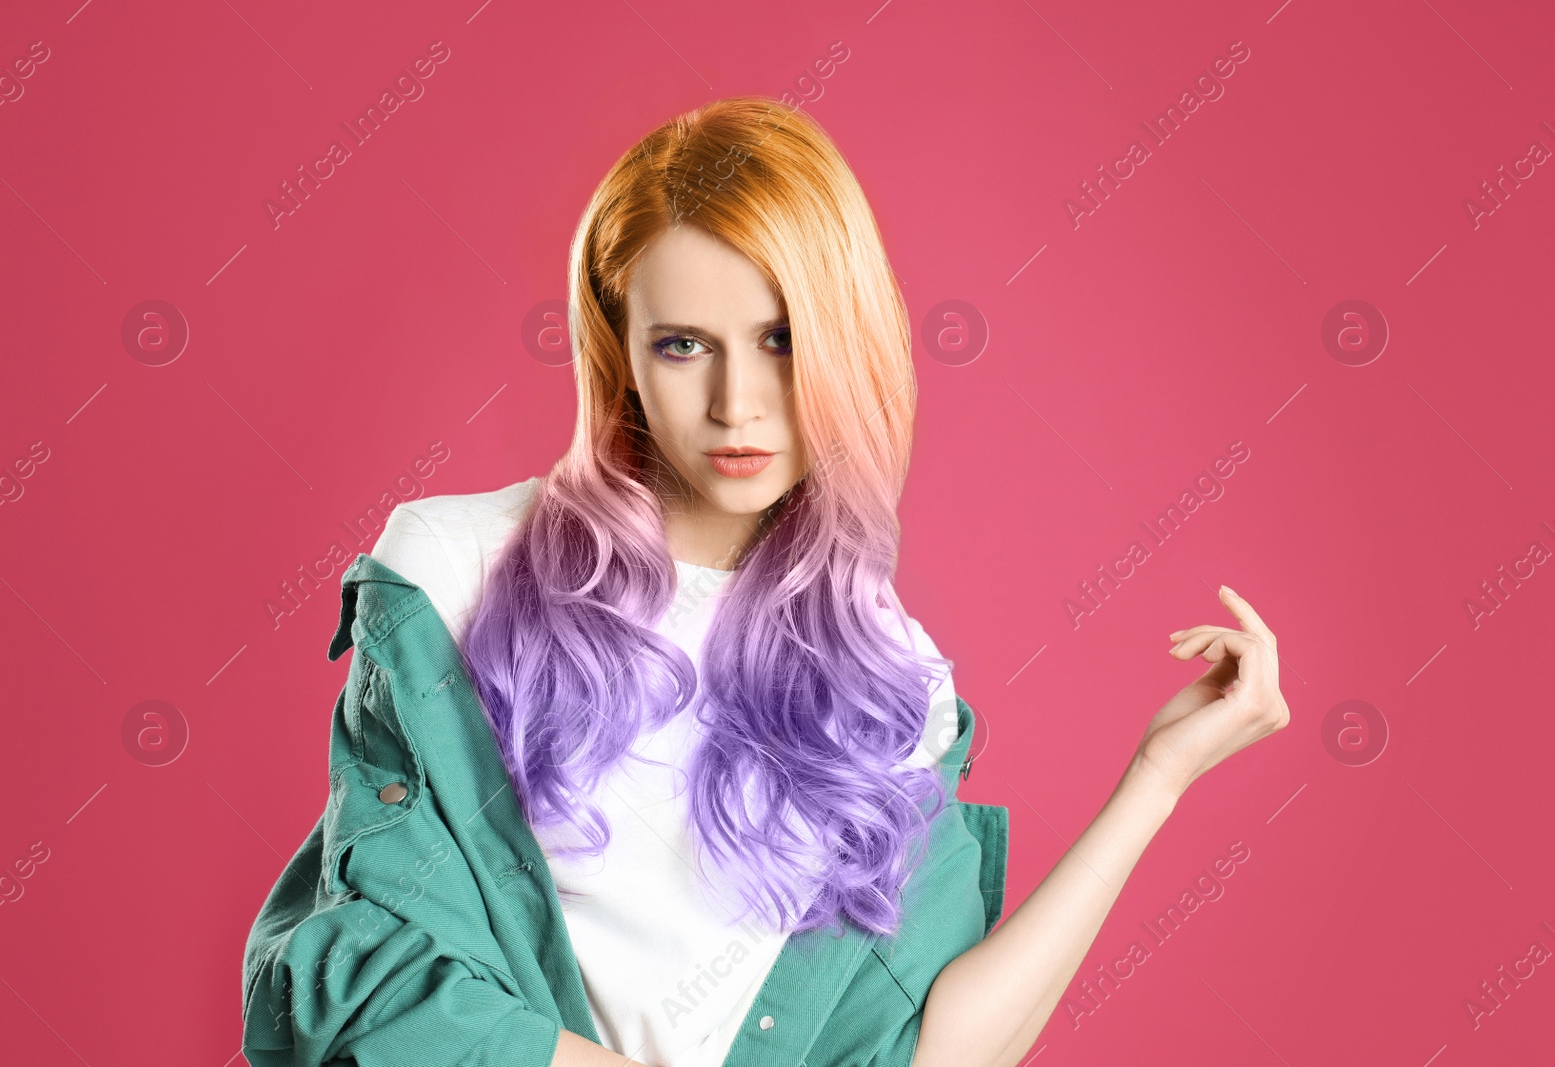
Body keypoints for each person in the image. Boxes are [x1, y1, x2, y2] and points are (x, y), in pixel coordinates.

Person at [333, 96, 1290, 1067]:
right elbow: (369, 986)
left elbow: (934, 1051)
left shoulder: (892, 672)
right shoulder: (456, 566)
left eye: (780, 338)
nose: (734, 401)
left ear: (849, 339)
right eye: (683, 343)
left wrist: (1155, 780)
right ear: (619, 349)